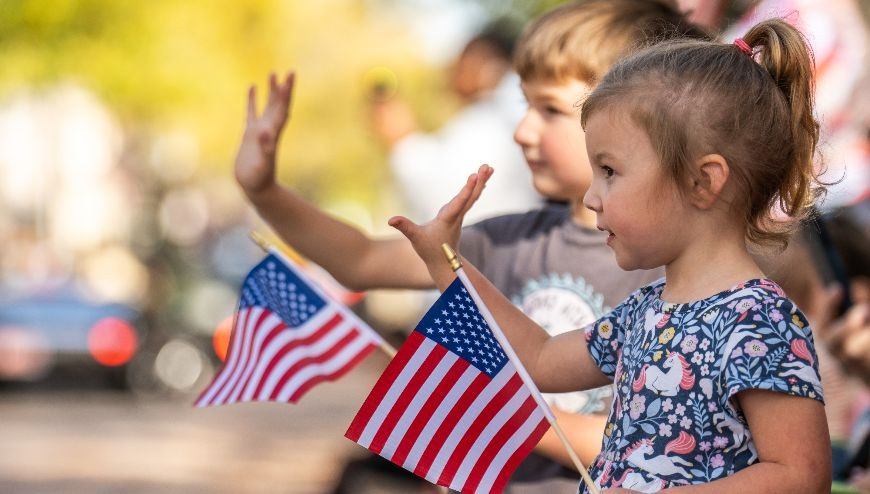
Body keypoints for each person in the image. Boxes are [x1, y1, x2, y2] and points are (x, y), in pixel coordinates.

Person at [234, 2, 710, 492]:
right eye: (523, 104)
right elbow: (360, 261)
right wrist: (265, 191)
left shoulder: (678, 271)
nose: (521, 130)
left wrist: (508, 410)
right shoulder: (506, 240)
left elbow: (656, 446)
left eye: (548, 109)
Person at [389, 17, 832, 492]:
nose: (590, 197)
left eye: (610, 171)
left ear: (703, 181)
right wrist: (445, 261)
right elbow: (538, 357)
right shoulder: (644, 309)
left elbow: (801, 476)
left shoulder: (759, 319)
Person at [369, 22, 542, 223]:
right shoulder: (499, 113)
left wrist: (402, 140)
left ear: (484, 63)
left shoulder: (495, 118)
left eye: (462, 59)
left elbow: (448, 197)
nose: (451, 70)